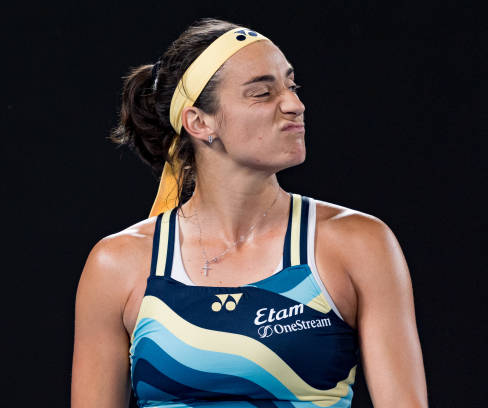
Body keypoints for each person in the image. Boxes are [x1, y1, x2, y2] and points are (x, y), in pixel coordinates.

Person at [71, 17, 428, 408]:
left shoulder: (357, 244)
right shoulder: (117, 264)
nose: (295, 105)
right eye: (262, 93)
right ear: (199, 122)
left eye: (292, 86)